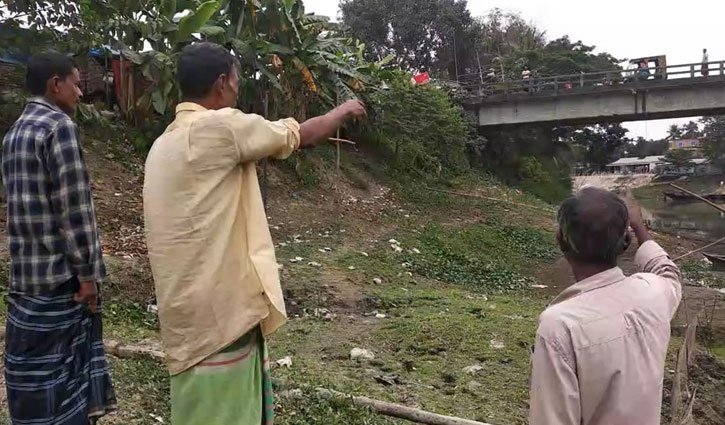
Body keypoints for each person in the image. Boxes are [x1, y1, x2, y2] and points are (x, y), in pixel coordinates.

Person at [143, 42, 366, 425]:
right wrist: (343, 109)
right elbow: (299, 134)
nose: (236, 88)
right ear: (220, 84)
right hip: (222, 313)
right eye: (235, 80)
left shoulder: (163, 145)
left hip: (183, 311)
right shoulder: (220, 127)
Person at [1, 52, 116, 424]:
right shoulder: (58, 127)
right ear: (56, 84)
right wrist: (88, 278)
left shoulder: (13, 134)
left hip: (25, 282)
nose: (81, 93)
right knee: (65, 384)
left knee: (32, 380)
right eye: (76, 83)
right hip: (60, 282)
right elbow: (75, 211)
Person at [529, 187, 681, 425]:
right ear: (626, 241)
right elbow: (668, 272)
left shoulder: (560, 325)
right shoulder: (653, 293)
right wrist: (640, 228)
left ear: (560, 240)